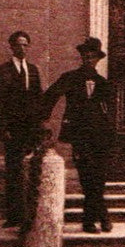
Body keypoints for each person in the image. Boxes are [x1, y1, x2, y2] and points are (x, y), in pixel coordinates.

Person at [41, 38, 114, 233]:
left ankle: (96, 218)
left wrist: (110, 136)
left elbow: (110, 112)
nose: (89, 60)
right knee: (87, 177)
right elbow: (51, 95)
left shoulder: (102, 83)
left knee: (98, 178)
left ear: (98, 60)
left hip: (100, 137)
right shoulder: (70, 78)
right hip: (80, 136)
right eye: (86, 56)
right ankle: (95, 219)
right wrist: (44, 119)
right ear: (82, 58)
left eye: (93, 57)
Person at [0, 31, 43, 227]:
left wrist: (39, 127)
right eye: (18, 45)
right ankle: (13, 216)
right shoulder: (3, 70)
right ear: (11, 47)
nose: (22, 48)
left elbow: (38, 99)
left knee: (31, 170)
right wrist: (2, 128)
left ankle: (29, 215)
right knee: (13, 170)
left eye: (25, 45)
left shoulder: (33, 70)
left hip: (30, 129)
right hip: (12, 129)